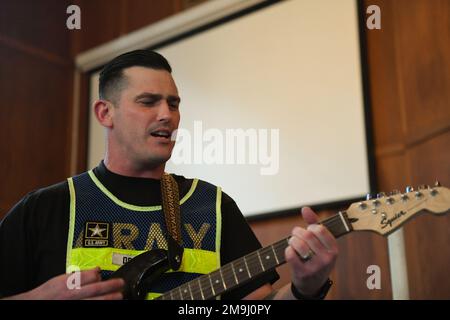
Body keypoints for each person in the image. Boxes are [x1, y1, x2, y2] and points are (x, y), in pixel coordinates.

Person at [0, 50, 338, 300]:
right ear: (105, 113)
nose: (167, 115)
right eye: (148, 102)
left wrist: (306, 288)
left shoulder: (213, 205)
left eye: (173, 104)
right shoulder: (45, 209)